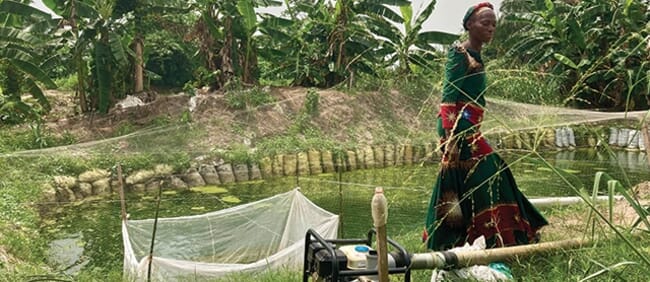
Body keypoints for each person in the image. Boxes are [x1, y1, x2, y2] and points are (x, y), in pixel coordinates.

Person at [423, 2, 548, 251]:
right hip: (458, 132)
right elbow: (449, 96)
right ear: (469, 25)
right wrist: (449, 139)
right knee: (477, 177)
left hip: (471, 131)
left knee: (485, 178)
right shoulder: (459, 54)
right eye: (485, 23)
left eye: (493, 24)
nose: (491, 28)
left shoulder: (477, 56)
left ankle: (495, 237)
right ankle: (470, 239)